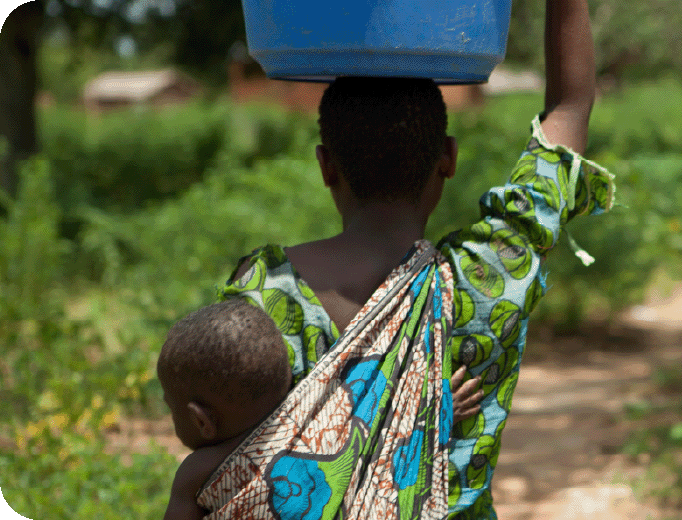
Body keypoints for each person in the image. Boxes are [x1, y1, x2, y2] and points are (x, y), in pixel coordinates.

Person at [203, 0, 610, 517]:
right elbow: (570, 110)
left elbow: (224, 451)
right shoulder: (492, 276)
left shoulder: (264, 291)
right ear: (449, 159)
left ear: (326, 166)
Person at [158, 299, 486, 520]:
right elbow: (390, 434)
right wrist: (438, 411)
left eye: (171, 408)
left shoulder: (196, 473)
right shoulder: (327, 425)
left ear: (201, 421)